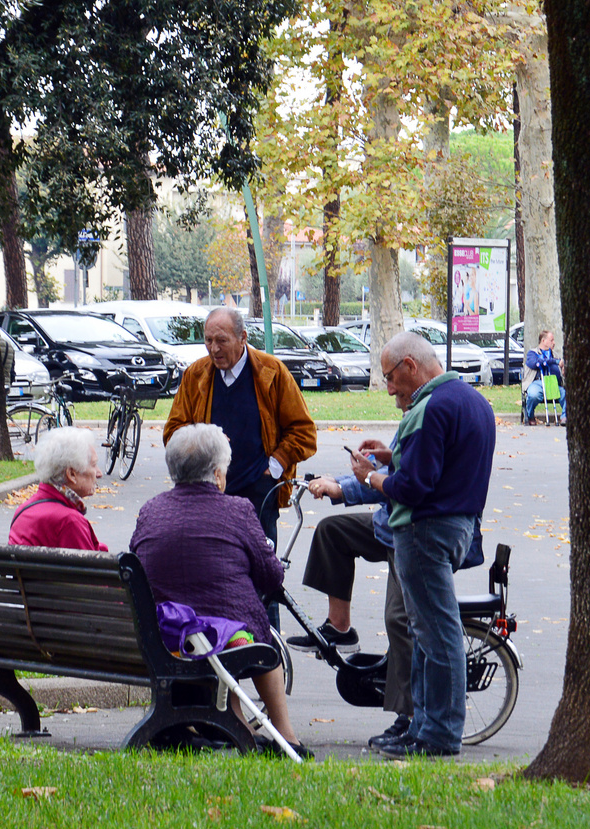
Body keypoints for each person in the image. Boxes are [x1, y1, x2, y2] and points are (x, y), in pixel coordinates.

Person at [346, 331, 495, 759]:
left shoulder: (427, 408)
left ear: (411, 365)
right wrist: (392, 457)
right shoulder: (472, 401)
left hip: (424, 530)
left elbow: (412, 488)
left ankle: (439, 734)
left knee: (436, 636)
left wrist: (371, 478)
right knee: (429, 633)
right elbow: (444, 463)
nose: (390, 388)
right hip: (458, 525)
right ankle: (422, 727)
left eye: (391, 377)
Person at [131, 423, 308, 759]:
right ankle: (287, 737)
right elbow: (272, 578)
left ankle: (226, 723)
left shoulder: (151, 511)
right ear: (217, 474)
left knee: (233, 631)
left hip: (163, 638)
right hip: (221, 640)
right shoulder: (238, 510)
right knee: (260, 641)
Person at [289, 465, 419, 752]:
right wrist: (336, 478)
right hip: (389, 525)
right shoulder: (413, 419)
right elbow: (390, 464)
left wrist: (343, 488)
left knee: (398, 619)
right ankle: (340, 628)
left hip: (408, 532)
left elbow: (396, 479)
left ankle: (410, 717)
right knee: (331, 531)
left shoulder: (423, 420)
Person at [162, 306, 317, 546]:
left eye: (222, 340)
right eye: (209, 340)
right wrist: (203, 441)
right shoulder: (196, 375)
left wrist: (273, 468)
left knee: (260, 573)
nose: (214, 349)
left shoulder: (272, 373)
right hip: (206, 492)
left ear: (243, 338)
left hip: (258, 493)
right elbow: (173, 431)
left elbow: (303, 431)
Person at [8, 427, 108, 551]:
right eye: (93, 465)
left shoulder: (24, 510)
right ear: (71, 474)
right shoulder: (69, 522)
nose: (99, 473)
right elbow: (92, 568)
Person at [522, 328, 566, 424]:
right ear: (543, 341)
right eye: (551, 340)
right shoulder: (532, 353)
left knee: (565, 394)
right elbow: (537, 363)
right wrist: (555, 362)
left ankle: (564, 417)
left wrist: (562, 371)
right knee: (533, 395)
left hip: (552, 383)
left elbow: (558, 373)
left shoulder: (555, 355)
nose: (553, 343)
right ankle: (530, 415)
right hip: (537, 382)